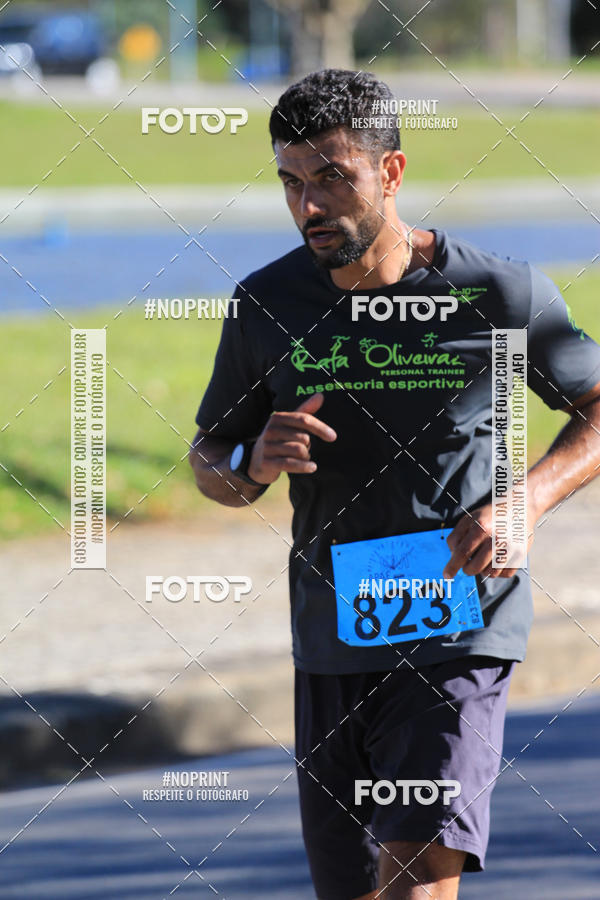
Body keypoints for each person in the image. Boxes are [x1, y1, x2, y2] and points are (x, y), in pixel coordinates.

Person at [189, 69, 600, 899]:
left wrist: (527, 498)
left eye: (332, 177)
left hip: (458, 628)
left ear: (392, 173)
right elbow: (212, 462)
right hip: (331, 631)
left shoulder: (497, 293)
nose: (310, 204)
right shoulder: (266, 305)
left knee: (413, 875)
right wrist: (252, 464)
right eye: (292, 182)